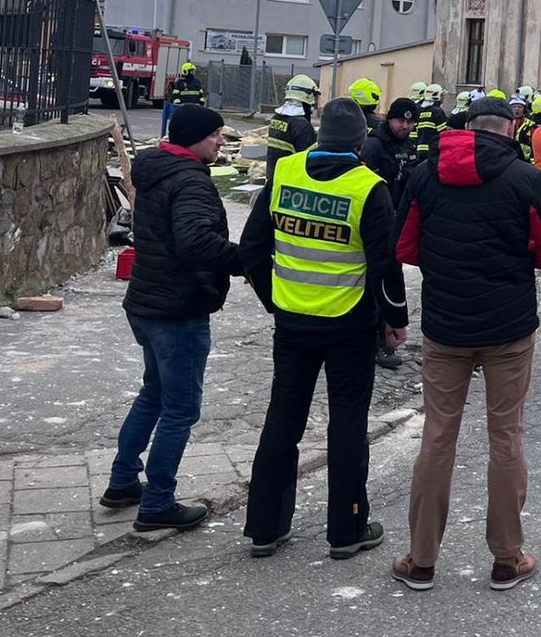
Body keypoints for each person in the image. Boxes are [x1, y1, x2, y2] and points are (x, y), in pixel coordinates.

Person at [390, 96, 541, 593]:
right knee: (506, 437)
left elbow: (403, 245)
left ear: (466, 127)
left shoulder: (426, 174)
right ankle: (507, 559)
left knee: (437, 437)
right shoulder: (524, 178)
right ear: (511, 127)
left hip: (445, 327)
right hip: (508, 328)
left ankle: (422, 561)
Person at [240, 99, 409, 560]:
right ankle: (347, 530)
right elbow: (384, 266)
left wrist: (274, 298)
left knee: (282, 420)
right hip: (349, 323)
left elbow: (251, 249)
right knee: (348, 424)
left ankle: (264, 528)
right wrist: (396, 322)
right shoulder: (368, 187)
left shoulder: (286, 173)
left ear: (318, 135)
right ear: (359, 142)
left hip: (292, 320)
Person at [102, 104, 244, 532]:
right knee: (180, 409)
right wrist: (246, 260)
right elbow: (196, 242)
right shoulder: (190, 182)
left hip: (146, 302)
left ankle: (123, 480)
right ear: (194, 138)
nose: (221, 141)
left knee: (154, 395)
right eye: (215, 135)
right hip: (177, 310)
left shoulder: (155, 169)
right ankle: (158, 503)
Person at [362, 97, 419, 372]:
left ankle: (385, 337)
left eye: (410, 121)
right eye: (401, 120)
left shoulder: (408, 146)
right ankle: (377, 344)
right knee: (377, 283)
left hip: (397, 223)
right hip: (375, 224)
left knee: (390, 282)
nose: (405, 126)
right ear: (390, 119)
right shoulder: (374, 146)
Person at [266, 75, 320, 181]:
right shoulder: (302, 126)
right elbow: (311, 160)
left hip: (274, 178)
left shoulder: (276, 118)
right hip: (291, 182)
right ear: (308, 95)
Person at [162, 62, 205, 137]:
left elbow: (200, 93)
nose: (192, 73)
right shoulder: (180, 82)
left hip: (195, 108)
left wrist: (201, 102)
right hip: (184, 108)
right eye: (191, 71)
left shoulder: (197, 82)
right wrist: (178, 106)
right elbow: (175, 96)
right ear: (186, 72)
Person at [413, 84, 446, 161]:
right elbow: (443, 133)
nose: (443, 97)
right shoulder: (438, 112)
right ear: (436, 95)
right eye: (442, 95)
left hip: (418, 150)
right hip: (432, 150)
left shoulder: (419, 110)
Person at [510, 95, 535, 161]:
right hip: (510, 159)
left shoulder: (530, 125)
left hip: (526, 160)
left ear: (524, 109)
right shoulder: (506, 123)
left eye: (519, 107)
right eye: (514, 107)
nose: (516, 109)